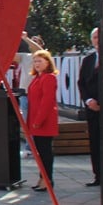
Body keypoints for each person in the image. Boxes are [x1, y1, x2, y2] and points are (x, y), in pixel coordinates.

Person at [27, 51, 59, 192]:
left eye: (40, 61)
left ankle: (47, 180)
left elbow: (47, 101)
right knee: (40, 152)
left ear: (47, 62)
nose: (37, 64)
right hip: (36, 120)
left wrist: (39, 120)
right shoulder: (37, 78)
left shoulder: (49, 78)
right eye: (35, 61)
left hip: (44, 121)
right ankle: (42, 178)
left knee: (45, 152)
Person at [78, 28, 101, 187]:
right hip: (91, 109)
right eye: (94, 37)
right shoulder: (88, 60)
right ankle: (98, 175)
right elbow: (82, 83)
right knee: (95, 142)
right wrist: (88, 100)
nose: (97, 40)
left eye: (99, 36)